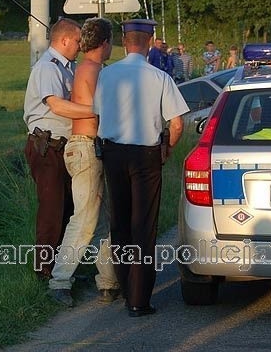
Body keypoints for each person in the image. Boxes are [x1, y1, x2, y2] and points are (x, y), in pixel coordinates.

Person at [93, 18, 189, 317]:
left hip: (113, 153)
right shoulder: (159, 76)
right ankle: (139, 299)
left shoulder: (107, 75)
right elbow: (176, 123)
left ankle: (124, 287)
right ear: (150, 42)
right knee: (144, 226)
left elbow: (97, 114)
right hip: (146, 155)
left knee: (120, 224)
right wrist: (167, 149)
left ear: (124, 41)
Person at [48, 17, 120, 307]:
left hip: (88, 148)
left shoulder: (88, 68)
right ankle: (59, 280)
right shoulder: (93, 70)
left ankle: (108, 281)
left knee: (100, 220)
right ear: (105, 43)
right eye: (111, 40)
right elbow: (96, 110)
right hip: (87, 148)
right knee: (85, 219)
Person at [23, 18, 94, 280]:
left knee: (67, 209)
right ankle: (44, 271)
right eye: (77, 41)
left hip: (63, 148)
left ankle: (63, 270)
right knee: (51, 211)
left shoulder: (68, 67)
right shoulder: (48, 68)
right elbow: (58, 106)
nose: (80, 46)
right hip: (47, 147)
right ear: (64, 40)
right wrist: (96, 112)